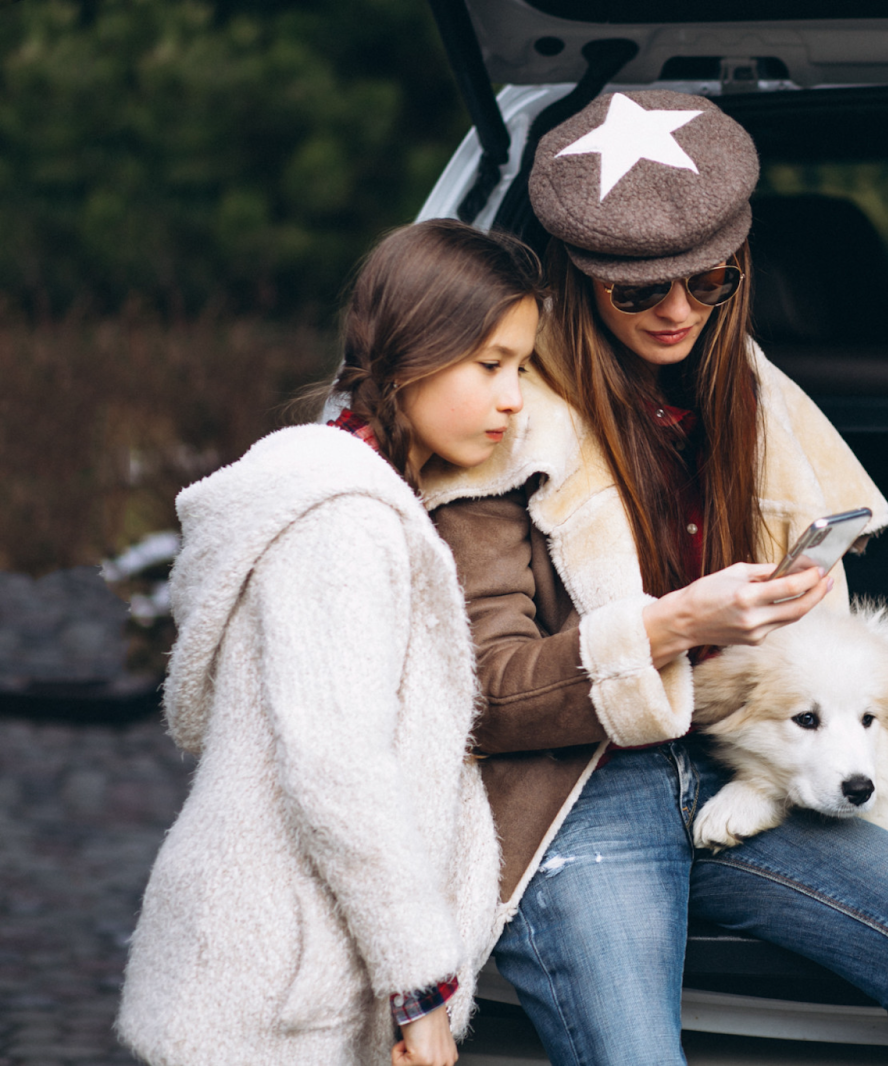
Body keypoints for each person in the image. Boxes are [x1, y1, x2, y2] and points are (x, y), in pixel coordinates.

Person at [425, 90, 888, 1066]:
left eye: (710, 279)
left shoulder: (747, 395)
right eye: (638, 292)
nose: (679, 311)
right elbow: (478, 695)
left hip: (751, 762)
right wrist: (664, 628)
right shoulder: (497, 425)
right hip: (576, 791)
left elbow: (823, 648)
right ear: (575, 281)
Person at [115, 220, 544, 1066]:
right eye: (491, 364)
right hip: (266, 995)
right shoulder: (343, 522)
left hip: (294, 972)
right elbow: (337, 770)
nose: (513, 397)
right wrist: (423, 990)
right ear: (414, 353)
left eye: (523, 367)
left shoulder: (361, 497)